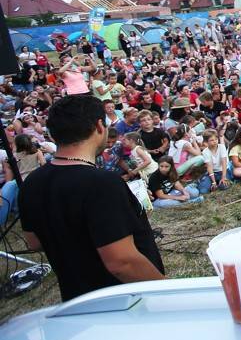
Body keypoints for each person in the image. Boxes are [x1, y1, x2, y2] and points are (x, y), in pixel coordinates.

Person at [18, 95, 165, 301]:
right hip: (123, 302)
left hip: (76, 298)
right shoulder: (102, 183)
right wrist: (166, 292)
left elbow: (34, 243)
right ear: (99, 126)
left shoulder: (31, 183)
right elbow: (122, 263)